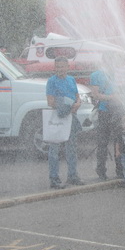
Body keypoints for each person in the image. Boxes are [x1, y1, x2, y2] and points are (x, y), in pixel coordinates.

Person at [46, 57, 83, 189]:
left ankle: (72, 175)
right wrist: (65, 106)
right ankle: (54, 178)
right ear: (55, 68)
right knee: (54, 149)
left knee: (72, 148)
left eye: (63, 67)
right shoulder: (51, 81)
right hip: (58, 117)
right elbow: (50, 101)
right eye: (58, 67)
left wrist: (77, 103)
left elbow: (77, 96)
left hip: (71, 117)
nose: (60, 69)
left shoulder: (71, 79)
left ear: (68, 67)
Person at [90, 51, 124, 181]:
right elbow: (96, 94)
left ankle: (120, 170)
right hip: (104, 111)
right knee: (102, 142)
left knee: (119, 141)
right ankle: (101, 171)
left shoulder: (117, 74)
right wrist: (112, 97)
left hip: (117, 111)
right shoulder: (96, 75)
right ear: (104, 61)